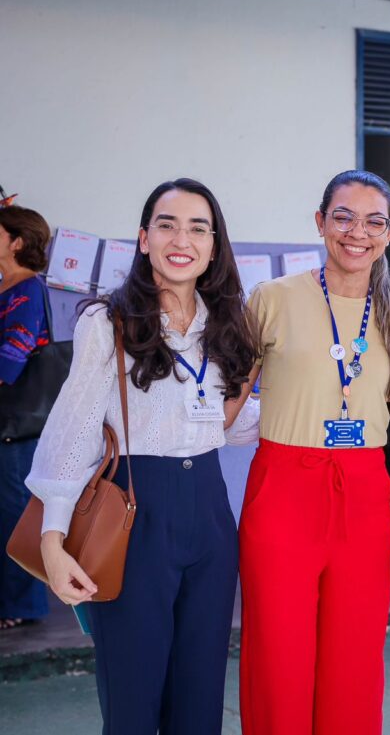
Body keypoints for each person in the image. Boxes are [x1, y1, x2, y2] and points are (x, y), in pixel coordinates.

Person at [26, 178, 259, 734]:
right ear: (144, 238)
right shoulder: (107, 322)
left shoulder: (226, 324)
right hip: (134, 510)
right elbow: (75, 430)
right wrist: (52, 541)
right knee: (133, 695)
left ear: (214, 244)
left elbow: (228, 429)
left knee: (200, 694)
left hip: (210, 513)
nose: (183, 239)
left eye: (198, 228)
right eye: (168, 224)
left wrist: (256, 386)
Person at [238, 170, 390, 735]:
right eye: (343, 216)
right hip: (282, 487)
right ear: (320, 222)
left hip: (364, 492)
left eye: (375, 221)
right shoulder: (272, 299)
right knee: (278, 652)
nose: (358, 233)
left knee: (354, 652)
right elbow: (224, 400)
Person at [0, 205, 52, 630]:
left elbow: (11, 361)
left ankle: (22, 604)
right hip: (8, 422)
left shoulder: (28, 290)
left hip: (17, 424)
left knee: (14, 510)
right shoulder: (6, 289)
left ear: (16, 242)